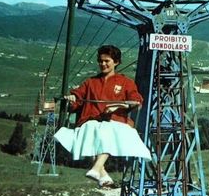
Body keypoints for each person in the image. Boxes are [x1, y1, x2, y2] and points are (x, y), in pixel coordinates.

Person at [54, 45, 151, 187]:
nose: (103, 64)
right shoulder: (90, 82)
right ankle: (102, 174)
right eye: (100, 61)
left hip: (115, 121)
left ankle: (97, 169)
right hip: (92, 119)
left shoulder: (125, 83)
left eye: (107, 61)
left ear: (116, 62)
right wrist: (73, 98)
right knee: (92, 131)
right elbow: (78, 96)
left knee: (106, 132)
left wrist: (120, 105)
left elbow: (135, 100)